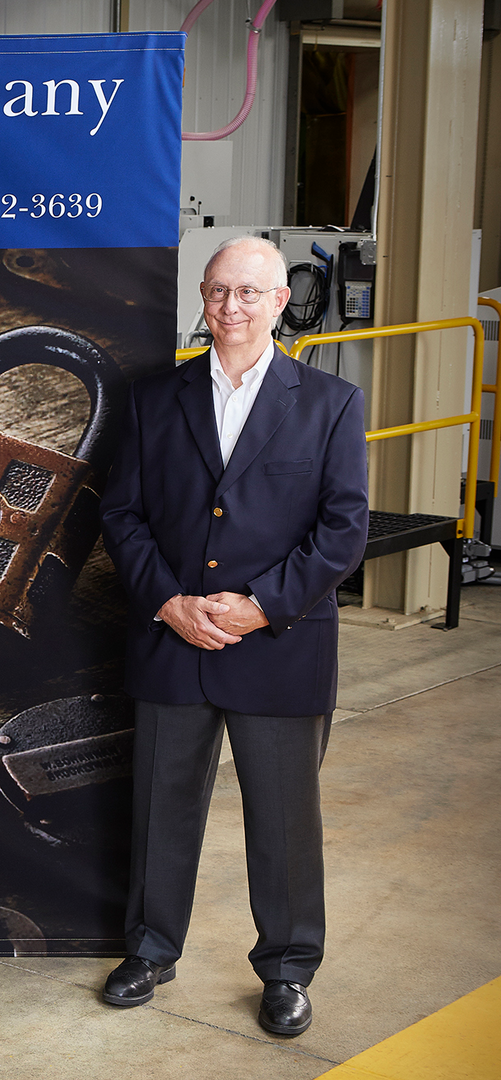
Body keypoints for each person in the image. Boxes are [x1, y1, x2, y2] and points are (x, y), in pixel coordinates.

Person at [97, 236, 369, 1037]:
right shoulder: (155, 398)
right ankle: (150, 949)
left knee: (284, 821)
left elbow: (343, 529)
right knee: (160, 809)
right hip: (174, 639)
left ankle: (287, 969)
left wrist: (260, 606)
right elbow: (123, 516)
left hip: (280, 644)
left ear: (281, 302)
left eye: (249, 293)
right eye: (218, 292)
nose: (230, 307)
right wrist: (168, 603)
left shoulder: (330, 404)